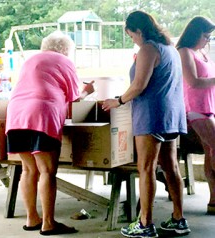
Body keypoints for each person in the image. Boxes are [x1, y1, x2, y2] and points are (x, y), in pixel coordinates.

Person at [102, 10, 191, 237]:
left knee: (146, 168)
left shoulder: (148, 49)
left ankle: (145, 224)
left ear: (138, 31)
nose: (133, 40)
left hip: (151, 114)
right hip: (171, 113)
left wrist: (118, 101)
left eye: (132, 36)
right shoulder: (170, 49)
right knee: (171, 166)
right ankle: (179, 219)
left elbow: (139, 85)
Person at [5, 31, 94, 236]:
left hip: (16, 113)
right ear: (66, 50)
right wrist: (88, 90)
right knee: (47, 171)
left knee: (28, 170)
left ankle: (32, 218)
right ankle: (48, 223)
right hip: (42, 113)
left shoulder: (30, 60)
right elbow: (74, 97)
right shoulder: (64, 60)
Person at [176, 16, 215, 215]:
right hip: (194, 108)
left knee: (210, 151)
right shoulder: (185, 52)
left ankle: (213, 200)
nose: (207, 40)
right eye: (205, 36)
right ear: (195, 33)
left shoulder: (202, 53)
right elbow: (193, 82)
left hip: (208, 107)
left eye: (210, 37)